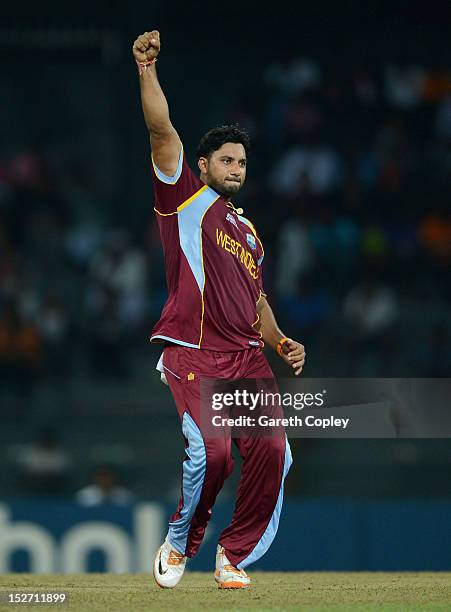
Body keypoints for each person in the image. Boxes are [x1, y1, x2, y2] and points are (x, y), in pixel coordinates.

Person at [133, 30, 306, 590]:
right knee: (213, 456)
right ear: (202, 164)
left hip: (248, 358)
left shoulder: (250, 233)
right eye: (226, 160)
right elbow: (162, 129)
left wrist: (280, 342)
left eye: (242, 162)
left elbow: (257, 302)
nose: (236, 168)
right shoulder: (183, 198)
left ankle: (233, 555)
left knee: (273, 452)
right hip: (195, 351)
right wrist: (146, 70)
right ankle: (181, 544)